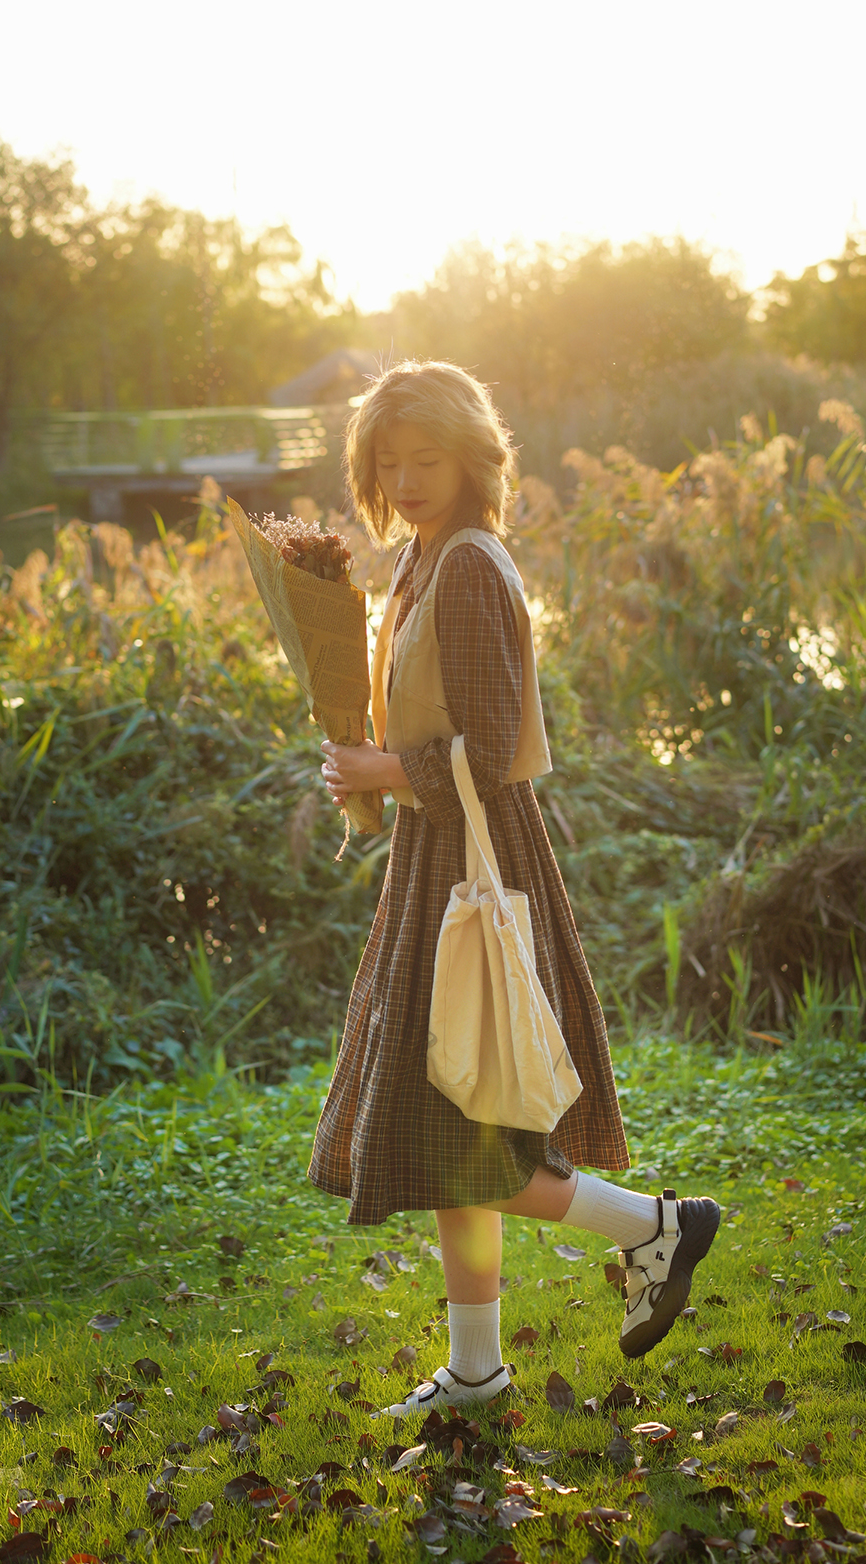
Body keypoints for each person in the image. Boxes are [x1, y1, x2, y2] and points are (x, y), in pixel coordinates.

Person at [312, 359, 718, 1415]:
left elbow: (489, 753)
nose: (404, 478)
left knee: (464, 1138)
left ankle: (653, 1224)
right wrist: (364, 761)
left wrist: (383, 772)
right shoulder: (417, 560)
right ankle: (480, 1370)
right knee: (457, 1137)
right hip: (434, 862)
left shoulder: (474, 565)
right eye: (387, 460)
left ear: (475, 458)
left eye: (426, 458)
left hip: (480, 870)